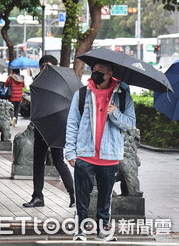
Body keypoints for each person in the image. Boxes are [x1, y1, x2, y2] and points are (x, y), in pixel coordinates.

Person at [65, 61, 136, 242]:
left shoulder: (122, 96)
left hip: (109, 155)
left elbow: (130, 123)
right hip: (85, 154)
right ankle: (80, 230)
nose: (96, 73)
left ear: (110, 73)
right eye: (94, 70)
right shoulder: (81, 94)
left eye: (101, 71)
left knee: (105, 197)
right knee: (82, 195)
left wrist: (115, 113)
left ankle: (102, 229)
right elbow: (72, 123)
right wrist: (70, 153)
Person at [23, 55, 75, 209]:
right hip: (41, 127)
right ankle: (37, 196)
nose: (45, 68)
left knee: (59, 161)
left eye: (49, 65)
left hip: (57, 126)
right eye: (43, 65)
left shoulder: (60, 81)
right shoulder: (37, 83)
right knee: (38, 162)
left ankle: (73, 195)